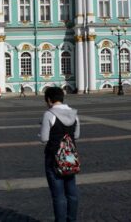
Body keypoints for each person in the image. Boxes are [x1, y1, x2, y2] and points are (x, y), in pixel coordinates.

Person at [39, 86, 80, 222]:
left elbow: (44, 138)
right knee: (72, 192)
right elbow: (77, 135)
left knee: (58, 196)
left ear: (49, 100)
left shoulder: (49, 114)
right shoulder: (74, 114)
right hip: (69, 155)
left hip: (53, 156)